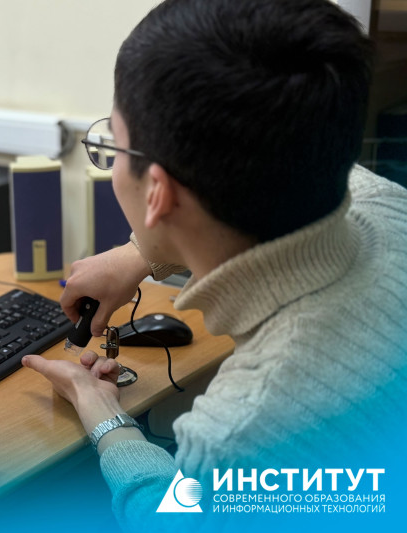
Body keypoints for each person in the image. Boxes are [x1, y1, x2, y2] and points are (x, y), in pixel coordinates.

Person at [22, 0, 407, 528]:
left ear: (157, 191)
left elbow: (166, 517)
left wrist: (102, 412)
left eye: (114, 146)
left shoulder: (243, 428)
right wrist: (140, 253)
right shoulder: (388, 204)